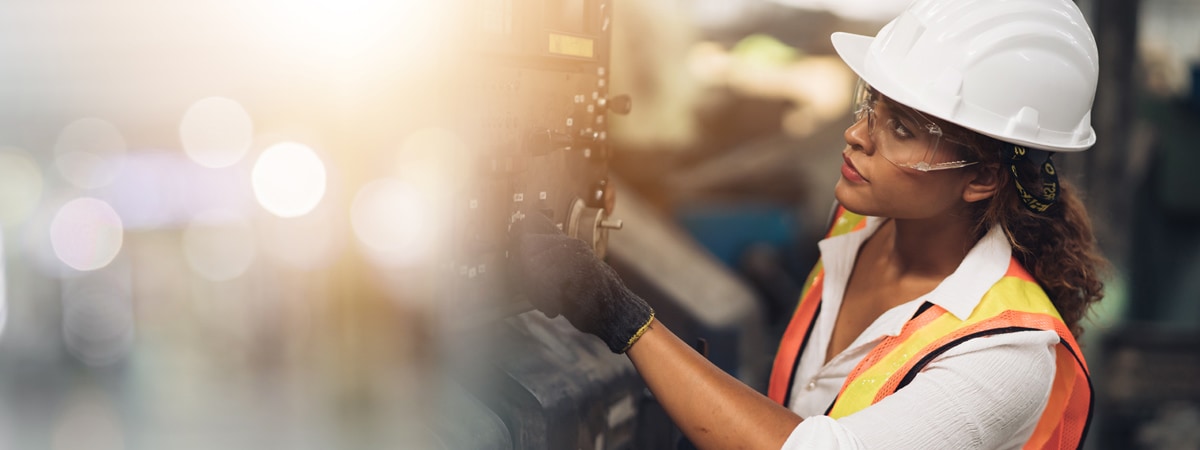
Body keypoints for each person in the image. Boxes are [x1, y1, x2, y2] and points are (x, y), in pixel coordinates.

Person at [508, 0, 1107, 448]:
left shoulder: (1006, 356)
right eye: (870, 103)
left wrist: (623, 319)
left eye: (900, 129)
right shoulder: (859, 223)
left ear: (983, 179)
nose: (856, 134)